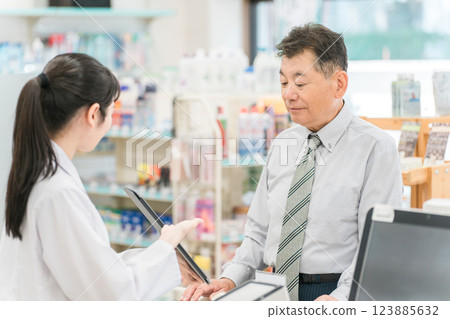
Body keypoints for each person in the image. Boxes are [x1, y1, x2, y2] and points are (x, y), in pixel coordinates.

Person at [182, 23, 403, 301]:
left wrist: (341, 298)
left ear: (339, 84)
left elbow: (376, 245)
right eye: (284, 83)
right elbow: (258, 231)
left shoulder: (375, 149)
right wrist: (229, 278)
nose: (287, 94)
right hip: (271, 289)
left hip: (331, 293)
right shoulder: (283, 142)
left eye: (300, 83)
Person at [0, 53, 202, 300]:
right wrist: (165, 246)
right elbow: (111, 294)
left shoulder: (37, 174)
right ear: (93, 114)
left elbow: (88, 266)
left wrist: (162, 259)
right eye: (112, 110)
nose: (111, 121)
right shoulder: (58, 191)